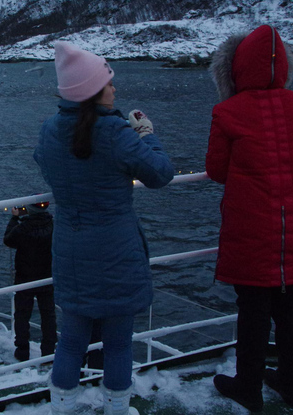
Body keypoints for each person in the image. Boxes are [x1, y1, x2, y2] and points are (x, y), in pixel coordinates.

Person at [33, 41, 174, 415]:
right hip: (116, 252)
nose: (115, 88)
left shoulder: (50, 131)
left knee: (71, 341)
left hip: (71, 250)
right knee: (117, 344)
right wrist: (146, 133)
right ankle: (116, 409)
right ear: (94, 92)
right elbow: (160, 174)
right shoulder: (117, 133)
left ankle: (62, 409)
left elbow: (44, 163)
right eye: (109, 82)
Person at [206, 25, 293, 412]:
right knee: (292, 306)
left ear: (235, 70)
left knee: (252, 308)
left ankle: (249, 386)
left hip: (251, 227)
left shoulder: (227, 112)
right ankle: (291, 384)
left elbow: (217, 170)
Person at [3, 200, 57, 361]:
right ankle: (48, 351)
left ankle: (22, 350)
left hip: (25, 277)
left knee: (22, 315)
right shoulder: (53, 226)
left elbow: (8, 240)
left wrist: (14, 218)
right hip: (47, 276)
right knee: (48, 315)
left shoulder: (22, 228)